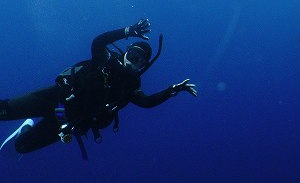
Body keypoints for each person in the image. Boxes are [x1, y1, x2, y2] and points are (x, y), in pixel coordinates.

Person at [0, 19, 197, 158]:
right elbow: (98, 42)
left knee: (21, 147)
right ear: (126, 52)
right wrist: (128, 31)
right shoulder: (106, 60)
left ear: (143, 66)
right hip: (55, 98)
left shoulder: (130, 87)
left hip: (67, 121)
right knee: (2, 110)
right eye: (132, 54)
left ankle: (25, 127)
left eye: (139, 60)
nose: (132, 61)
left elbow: (146, 102)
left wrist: (172, 90)